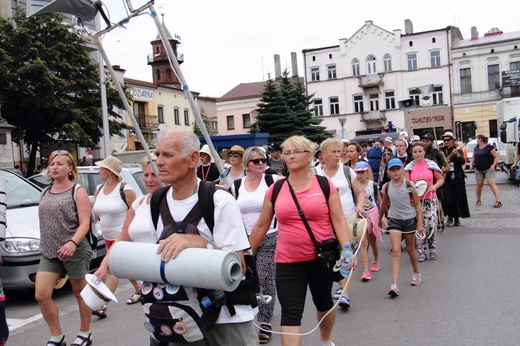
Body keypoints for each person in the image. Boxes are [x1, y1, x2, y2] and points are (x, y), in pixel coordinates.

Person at [141, 128, 257, 345]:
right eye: (157, 155)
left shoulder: (218, 200)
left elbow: (238, 265)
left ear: (193, 158)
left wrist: (202, 244)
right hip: (180, 313)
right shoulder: (157, 201)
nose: (159, 161)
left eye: (167, 154)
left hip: (226, 316)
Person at [250, 135, 357, 346]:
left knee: (324, 303)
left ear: (309, 156)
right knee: (290, 312)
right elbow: (262, 225)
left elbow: (339, 220)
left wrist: (346, 250)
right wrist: (244, 255)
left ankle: (326, 340)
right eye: (287, 152)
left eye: (296, 152)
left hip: (321, 259)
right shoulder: (276, 189)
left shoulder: (325, 185)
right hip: (288, 261)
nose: (291, 156)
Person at [94, 154, 163, 346]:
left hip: (170, 279)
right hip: (147, 280)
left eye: (154, 175)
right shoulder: (139, 203)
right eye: (146, 174)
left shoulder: (172, 200)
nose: (149, 180)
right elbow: (123, 236)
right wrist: (103, 264)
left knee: (173, 330)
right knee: (155, 330)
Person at [35, 150, 93, 346]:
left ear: (70, 168)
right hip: (50, 250)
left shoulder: (77, 191)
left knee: (79, 291)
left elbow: (85, 223)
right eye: (52, 164)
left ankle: (85, 333)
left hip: (74, 248)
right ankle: (57, 336)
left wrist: (72, 242)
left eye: (60, 164)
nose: (54, 167)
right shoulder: (44, 192)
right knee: (41, 294)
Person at [231, 146, 280, 344]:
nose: (261, 164)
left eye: (263, 160)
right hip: (244, 239)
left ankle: (265, 321)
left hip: (270, 236)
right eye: (256, 161)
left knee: (266, 277)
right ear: (247, 164)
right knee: (246, 278)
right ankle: (248, 316)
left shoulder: (274, 181)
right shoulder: (236, 185)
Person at [314, 138, 365, 309]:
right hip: (322, 221)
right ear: (323, 154)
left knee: (345, 252)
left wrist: (359, 205)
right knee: (329, 255)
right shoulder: (315, 173)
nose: (337, 155)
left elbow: (360, 191)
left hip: (346, 219)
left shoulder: (346, 171)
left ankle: (345, 293)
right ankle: (338, 283)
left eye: (339, 151)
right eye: (333, 152)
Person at [92, 155, 137, 317]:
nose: (99, 172)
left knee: (112, 271)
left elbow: (137, 213)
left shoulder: (126, 190)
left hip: (123, 238)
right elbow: (95, 215)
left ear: (110, 172)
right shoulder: (99, 189)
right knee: (128, 268)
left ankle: (102, 305)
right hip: (107, 237)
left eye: (101, 169)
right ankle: (140, 289)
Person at [378, 158, 424, 297]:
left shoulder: (409, 185)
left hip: (409, 219)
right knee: (396, 251)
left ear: (403, 170)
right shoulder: (386, 187)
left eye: (398, 169)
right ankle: (394, 284)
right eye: (392, 170)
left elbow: (417, 204)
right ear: (389, 172)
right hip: (394, 220)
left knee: (410, 249)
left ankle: (416, 273)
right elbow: (384, 204)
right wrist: (380, 218)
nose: (395, 172)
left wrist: (420, 223)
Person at [404, 142, 445, 262]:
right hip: (416, 200)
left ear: (424, 152)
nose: (417, 154)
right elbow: (406, 184)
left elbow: (440, 179)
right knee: (419, 224)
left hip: (429, 198)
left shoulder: (431, 165)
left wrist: (435, 186)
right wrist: (411, 191)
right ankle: (421, 249)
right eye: (415, 152)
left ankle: (432, 246)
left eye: (420, 151)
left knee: (430, 222)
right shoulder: (409, 168)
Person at [354, 161, 383, 282]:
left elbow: (380, 201)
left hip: (372, 213)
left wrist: (383, 216)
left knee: (373, 240)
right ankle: (366, 269)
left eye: (362, 172)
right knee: (363, 241)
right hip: (360, 214)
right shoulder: (354, 185)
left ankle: (376, 259)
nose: (360, 175)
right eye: (358, 172)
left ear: (367, 172)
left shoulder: (374, 185)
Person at [440, 132, 470, 226]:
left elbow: (462, 161)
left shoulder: (458, 149)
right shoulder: (441, 150)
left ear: (453, 140)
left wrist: (457, 155)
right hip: (446, 176)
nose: (446, 142)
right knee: (447, 198)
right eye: (444, 140)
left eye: (448, 140)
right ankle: (449, 217)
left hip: (457, 176)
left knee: (457, 198)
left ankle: (457, 218)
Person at [469, 134, 502, 208]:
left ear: (480, 139)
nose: (476, 140)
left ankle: (498, 200)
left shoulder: (489, 147)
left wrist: (493, 165)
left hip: (488, 168)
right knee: (479, 185)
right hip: (478, 169)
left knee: (492, 184)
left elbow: (496, 157)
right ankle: (478, 200)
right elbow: (473, 157)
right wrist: (471, 164)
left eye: (477, 139)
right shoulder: (476, 148)